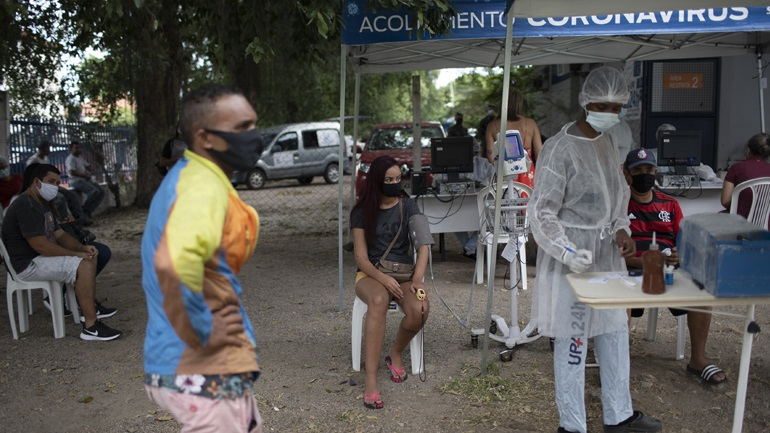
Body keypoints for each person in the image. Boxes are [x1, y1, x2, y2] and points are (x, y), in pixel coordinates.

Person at [529, 66, 662, 433]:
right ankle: (572, 425)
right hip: (573, 263)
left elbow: (616, 197)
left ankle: (619, 416)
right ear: (585, 102)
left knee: (614, 332)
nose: (609, 113)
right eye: (602, 105)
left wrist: (622, 229)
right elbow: (541, 212)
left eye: (616, 107)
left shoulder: (608, 142)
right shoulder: (559, 148)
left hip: (607, 258)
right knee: (574, 343)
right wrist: (567, 250)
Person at [142, 84, 264, 432]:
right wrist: (202, 330)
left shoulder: (195, 177)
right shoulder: (201, 187)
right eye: (242, 127)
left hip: (201, 364)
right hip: (200, 367)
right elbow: (172, 262)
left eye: (254, 124)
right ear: (205, 138)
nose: (253, 135)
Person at [623, 148, 726, 385]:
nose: (644, 175)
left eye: (648, 170)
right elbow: (614, 249)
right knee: (619, 303)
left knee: (700, 293)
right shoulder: (619, 205)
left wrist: (679, 255)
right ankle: (618, 362)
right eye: (637, 171)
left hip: (668, 271)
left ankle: (698, 359)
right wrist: (644, 261)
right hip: (630, 270)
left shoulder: (669, 204)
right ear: (627, 174)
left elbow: (685, 242)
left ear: (655, 172)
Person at [1, 163, 120, 340]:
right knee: (84, 264)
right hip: (27, 264)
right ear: (37, 182)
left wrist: (82, 248)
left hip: (39, 258)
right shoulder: (25, 204)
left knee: (90, 256)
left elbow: (60, 235)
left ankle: (87, 311)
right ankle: (91, 326)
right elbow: (40, 245)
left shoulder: (42, 204)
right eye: (51, 181)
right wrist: (76, 255)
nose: (55, 187)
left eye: (57, 183)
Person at [350, 155, 431, 410]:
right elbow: (361, 259)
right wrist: (384, 279)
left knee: (420, 309)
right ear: (377, 181)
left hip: (404, 274)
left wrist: (417, 280)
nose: (395, 184)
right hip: (371, 274)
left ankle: (395, 352)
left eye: (398, 179)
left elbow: (424, 246)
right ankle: (371, 379)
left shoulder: (409, 205)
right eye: (389, 180)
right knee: (379, 299)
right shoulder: (361, 212)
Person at [485, 87, 543, 190]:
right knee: (527, 198)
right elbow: (540, 154)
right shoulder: (530, 124)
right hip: (526, 175)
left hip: (504, 175)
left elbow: (491, 158)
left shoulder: (492, 126)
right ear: (519, 103)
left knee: (506, 200)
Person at [27, 140, 90, 224]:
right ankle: (62, 224)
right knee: (60, 199)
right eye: (48, 148)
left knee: (72, 195)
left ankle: (80, 220)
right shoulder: (33, 160)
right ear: (43, 149)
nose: (49, 150)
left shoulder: (45, 158)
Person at [721, 132, 770, 226]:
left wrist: (742, 204)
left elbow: (725, 201)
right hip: (766, 227)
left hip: (739, 225)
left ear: (748, 149)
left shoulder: (737, 168)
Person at [65, 141, 105, 218]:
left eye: (79, 147)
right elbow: (72, 172)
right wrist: (84, 175)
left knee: (101, 192)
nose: (78, 149)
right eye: (76, 148)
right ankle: (84, 211)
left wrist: (96, 165)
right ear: (71, 149)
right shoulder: (70, 159)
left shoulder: (80, 157)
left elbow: (87, 166)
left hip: (85, 180)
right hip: (76, 181)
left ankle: (89, 210)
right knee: (94, 192)